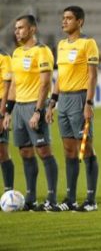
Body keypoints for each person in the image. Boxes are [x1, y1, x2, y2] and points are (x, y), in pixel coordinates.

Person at [46, 6, 100, 212]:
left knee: (85, 149)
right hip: (64, 101)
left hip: (80, 98)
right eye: (63, 18)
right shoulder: (60, 45)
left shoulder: (88, 43)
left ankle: (91, 200)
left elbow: (93, 75)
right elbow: (60, 76)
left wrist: (89, 103)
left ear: (80, 22)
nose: (64, 21)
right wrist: (52, 103)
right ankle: (70, 199)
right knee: (69, 150)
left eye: (69, 18)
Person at [3, 15, 60, 211]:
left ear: (32, 29)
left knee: (44, 152)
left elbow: (45, 83)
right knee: (25, 153)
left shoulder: (42, 51)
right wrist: (8, 111)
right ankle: (31, 198)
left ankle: (51, 198)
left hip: (34, 107)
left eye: (21, 28)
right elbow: (14, 85)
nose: (17, 31)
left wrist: (38, 111)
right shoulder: (17, 53)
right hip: (18, 107)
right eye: (16, 28)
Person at [0, 47, 13, 192]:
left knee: (2, 150)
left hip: (0, 104)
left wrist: (2, 113)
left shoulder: (4, 57)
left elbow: (7, 86)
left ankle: (8, 192)